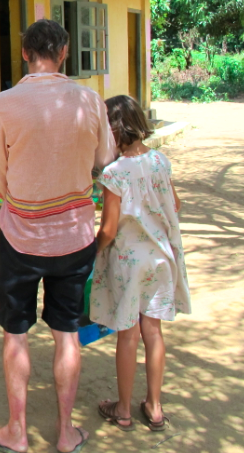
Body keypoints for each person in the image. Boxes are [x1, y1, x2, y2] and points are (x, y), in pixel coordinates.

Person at [0, 19, 118, 453]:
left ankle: (16, 431)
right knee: (66, 333)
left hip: (20, 235)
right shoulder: (90, 100)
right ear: (64, 51)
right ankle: (64, 432)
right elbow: (105, 159)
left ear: (24, 53)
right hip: (75, 237)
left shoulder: (2, 104)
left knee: (15, 334)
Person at [93, 95, 191, 433]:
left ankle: (122, 409)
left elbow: (108, 229)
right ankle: (154, 406)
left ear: (115, 131)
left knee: (128, 334)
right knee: (154, 331)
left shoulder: (114, 173)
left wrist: (93, 250)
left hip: (128, 262)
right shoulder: (160, 161)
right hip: (160, 260)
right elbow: (173, 204)